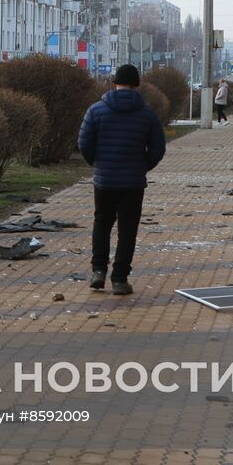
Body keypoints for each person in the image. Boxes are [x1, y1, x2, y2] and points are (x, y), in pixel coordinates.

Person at [77, 64, 167, 296]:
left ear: (114, 83)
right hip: (133, 182)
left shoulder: (95, 111)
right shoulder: (147, 114)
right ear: (137, 85)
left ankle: (98, 271)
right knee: (128, 230)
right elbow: (158, 148)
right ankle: (119, 279)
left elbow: (84, 144)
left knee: (102, 223)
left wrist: (98, 164)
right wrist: (142, 166)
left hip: (104, 180)